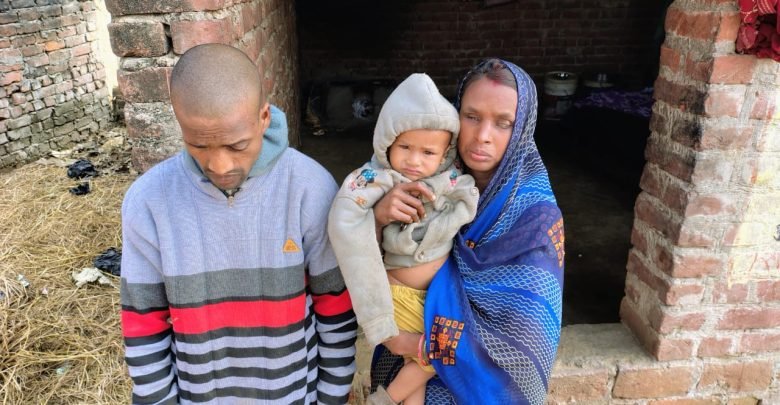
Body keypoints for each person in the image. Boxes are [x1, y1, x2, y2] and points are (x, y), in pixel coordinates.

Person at [119, 44, 357, 404]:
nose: (219, 166)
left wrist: (332, 396)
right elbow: (143, 324)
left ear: (264, 117)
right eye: (199, 145)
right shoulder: (148, 201)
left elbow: (335, 308)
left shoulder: (310, 188)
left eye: (237, 145)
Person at [366, 59, 565, 404]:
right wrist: (378, 218)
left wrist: (422, 340)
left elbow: (526, 338)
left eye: (503, 123)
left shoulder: (536, 219)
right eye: (471, 116)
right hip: (404, 362)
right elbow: (358, 257)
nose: (483, 135)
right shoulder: (422, 170)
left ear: (522, 129)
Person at [328, 73, 479, 405]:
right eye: (405, 147)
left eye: (428, 152)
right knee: (439, 352)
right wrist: (378, 212)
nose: (414, 161)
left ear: (444, 154)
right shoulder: (377, 178)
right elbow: (344, 216)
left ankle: (387, 397)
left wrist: (447, 203)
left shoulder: (448, 178)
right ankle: (383, 397)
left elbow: (468, 195)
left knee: (423, 368)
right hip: (398, 295)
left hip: (434, 296)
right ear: (387, 143)